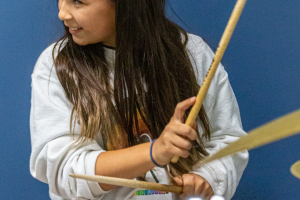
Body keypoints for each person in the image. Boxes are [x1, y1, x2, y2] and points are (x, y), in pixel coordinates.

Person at [29, 0, 249, 200]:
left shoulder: (193, 53)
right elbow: (64, 170)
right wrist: (154, 152)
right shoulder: (57, 66)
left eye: (78, 2)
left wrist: (208, 178)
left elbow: (228, 140)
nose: (62, 12)